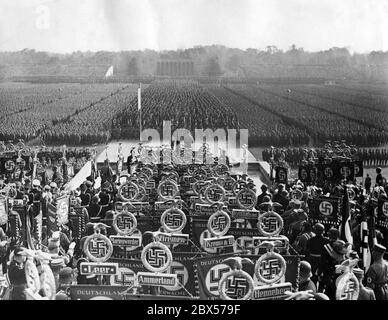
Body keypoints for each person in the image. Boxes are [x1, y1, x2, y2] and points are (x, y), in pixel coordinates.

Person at [305, 223, 329, 288]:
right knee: (322, 279)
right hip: (323, 261)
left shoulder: (310, 240)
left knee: (313, 278)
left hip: (313, 261)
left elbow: (306, 252)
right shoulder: (327, 240)